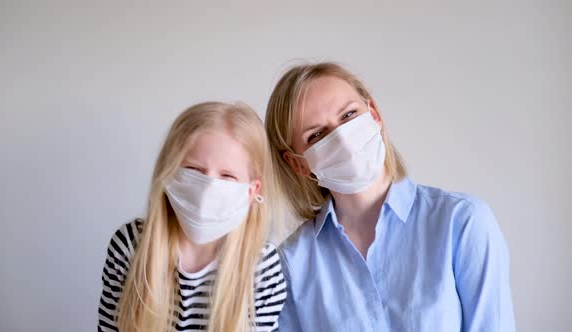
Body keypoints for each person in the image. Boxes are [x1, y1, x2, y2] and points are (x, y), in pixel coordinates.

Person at [265, 62, 515, 331]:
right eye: (316, 135)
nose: (342, 139)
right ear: (297, 163)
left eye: (348, 115)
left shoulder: (462, 222)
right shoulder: (290, 265)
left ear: (374, 115)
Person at [98, 102, 286, 332]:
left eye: (227, 176)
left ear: (251, 191)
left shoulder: (261, 267)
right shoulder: (130, 246)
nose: (207, 189)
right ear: (169, 171)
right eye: (194, 170)